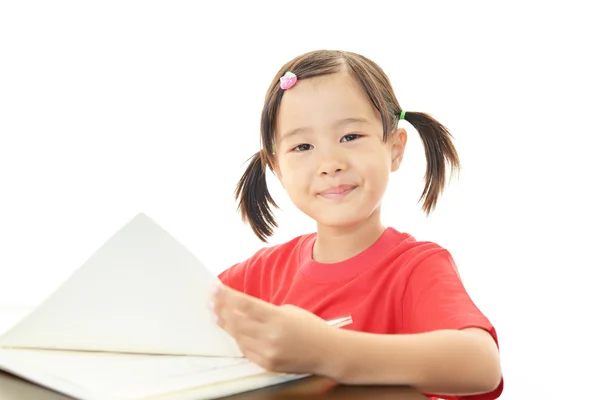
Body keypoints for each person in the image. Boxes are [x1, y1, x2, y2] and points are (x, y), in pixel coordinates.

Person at [210, 50, 503, 400]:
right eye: (303, 146)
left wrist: (328, 350)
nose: (330, 163)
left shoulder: (415, 268)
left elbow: (481, 364)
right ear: (277, 167)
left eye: (350, 137)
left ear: (394, 148)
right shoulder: (261, 273)